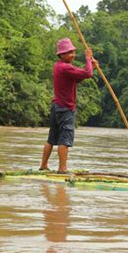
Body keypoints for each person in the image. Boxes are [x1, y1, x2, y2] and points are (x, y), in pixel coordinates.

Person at [39, 38, 97, 174]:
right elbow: (87, 74)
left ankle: (43, 165)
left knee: (52, 138)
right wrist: (88, 59)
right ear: (61, 55)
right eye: (69, 52)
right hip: (65, 108)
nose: (72, 55)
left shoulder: (58, 66)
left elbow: (78, 78)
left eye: (73, 52)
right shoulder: (65, 67)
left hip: (56, 107)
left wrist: (91, 67)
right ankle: (62, 169)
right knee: (64, 139)